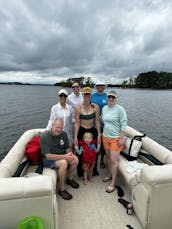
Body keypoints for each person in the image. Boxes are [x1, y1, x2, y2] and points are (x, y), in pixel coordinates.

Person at [40, 119, 79, 200]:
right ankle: (62, 189)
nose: (58, 130)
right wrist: (65, 157)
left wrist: (70, 154)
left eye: (61, 128)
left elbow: (67, 148)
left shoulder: (63, 134)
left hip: (61, 156)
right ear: (52, 126)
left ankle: (70, 179)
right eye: (57, 127)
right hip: (48, 160)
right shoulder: (45, 137)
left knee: (75, 159)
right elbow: (48, 156)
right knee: (63, 163)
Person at [102, 90, 127, 193]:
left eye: (113, 97)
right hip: (105, 137)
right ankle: (109, 175)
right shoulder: (104, 108)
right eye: (109, 97)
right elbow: (104, 122)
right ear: (107, 98)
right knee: (108, 157)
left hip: (116, 138)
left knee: (114, 160)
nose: (111, 99)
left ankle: (113, 182)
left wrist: (122, 138)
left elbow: (123, 124)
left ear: (116, 98)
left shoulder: (120, 109)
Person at [74, 87, 101, 177]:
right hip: (81, 130)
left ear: (91, 95)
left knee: (94, 151)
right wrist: (75, 137)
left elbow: (97, 121)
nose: (86, 96)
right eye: (85, 94)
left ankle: (93, 171)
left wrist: (99, 134)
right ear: (82, 94)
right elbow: (77, 123)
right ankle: (81, 172)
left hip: (92, 130)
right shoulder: (78, 108)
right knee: (80, 152)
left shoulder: (95, 107)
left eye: (88, 94)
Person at [91, 81, 108, 169]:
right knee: (94, 142)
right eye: (98, 85)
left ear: (104, 86)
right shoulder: (92, 96)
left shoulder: (107, 96)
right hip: (93, 123)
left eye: (102, 85)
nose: (100, 86)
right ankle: (94, 159)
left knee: (102, 143)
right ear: (96, 87)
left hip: (104, 125)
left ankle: (101, 159)